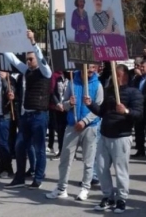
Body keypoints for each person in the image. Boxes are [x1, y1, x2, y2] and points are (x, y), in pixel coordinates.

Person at [86, 64, 143, 213]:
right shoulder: (109, 91)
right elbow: (102, 112)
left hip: (121, 136)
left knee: (120, 170)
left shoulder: (134, 93)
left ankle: (122, 199)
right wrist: (90, 104)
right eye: (112, 74)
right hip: (105, 135)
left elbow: (138, 115)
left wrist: (126, 111)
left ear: (123, 75)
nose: (113, 78)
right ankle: (108, 197)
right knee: (101, 168)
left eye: (116, 74)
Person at [2, 30, 52, 189]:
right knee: (19, 146)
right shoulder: (26, 71)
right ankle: (19, 178)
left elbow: (41, 59)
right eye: (27, 60)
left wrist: (33, 41)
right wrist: (1, 45)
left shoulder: (45, 71)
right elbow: (14, 60)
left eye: (31, 59)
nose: (28, 62)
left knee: (39, 149)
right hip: (26, 116)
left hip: (39, 116)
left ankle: (37, 178)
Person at [46, 64, 103, 201]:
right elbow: (63, 105)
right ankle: (61, 188)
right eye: (89, 67)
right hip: (72, 126)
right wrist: (69, 104)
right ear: (83, 67)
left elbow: (99, 109)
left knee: (88, 160)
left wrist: (84, 122)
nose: (91, 70)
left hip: (90, 127)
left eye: (94, 68)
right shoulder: (72, 82)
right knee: (65, 159)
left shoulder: (98, 85)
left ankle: (85, 188)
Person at [49, 71, 69, 160]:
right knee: (60, 130)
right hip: (60, 108)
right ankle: (61, 150)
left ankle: (71, 153)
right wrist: (57, 104)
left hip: (70, 108)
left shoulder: (73, 78)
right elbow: (53, 92)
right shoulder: (57, 78)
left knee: (70, 131)